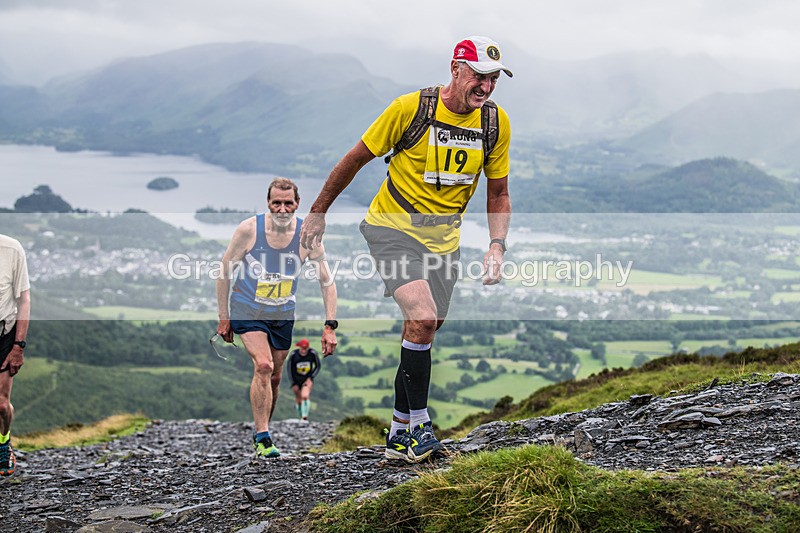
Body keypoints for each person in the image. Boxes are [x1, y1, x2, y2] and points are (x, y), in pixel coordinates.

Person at [300, 36, 512, 462]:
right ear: (455, 68)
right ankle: (420, 429)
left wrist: (496, 245)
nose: (486, 88)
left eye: (493, 80)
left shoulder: (495, 123)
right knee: (423, 316)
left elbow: (499, 193)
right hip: (391, 227)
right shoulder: (409, 109)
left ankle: (398, 432)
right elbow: (356, 158)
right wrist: (318, 211)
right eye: (479, 77)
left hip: (444, 241)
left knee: (424, 331)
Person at [216, 177, 338, 458]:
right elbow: (224, 272)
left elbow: (327, 281)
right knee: (263, 365)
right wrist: (224, 318)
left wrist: (330, 324)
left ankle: (263, 429)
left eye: (288, 203)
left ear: (297, 204)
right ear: (268, 203)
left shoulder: (308, 236)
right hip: (247, 309)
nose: (282, 209)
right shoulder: (249, 230)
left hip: (282, 313)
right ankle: (263, 437)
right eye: (276, 203)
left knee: (275, 377)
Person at [0, 234, 31, 476]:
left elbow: (24, 299)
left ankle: (3, 442)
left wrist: (18, 346)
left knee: (1, 404)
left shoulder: (11, 249)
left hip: (4, 333)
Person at [287, 338, 321, 420]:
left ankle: (304, 416)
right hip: (296, 380)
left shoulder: (312, 354)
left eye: (305, 349)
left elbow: (317, 366)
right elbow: (289, 370)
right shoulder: (293, 355)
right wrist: (293, 383)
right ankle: (300, 416)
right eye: (302, 349)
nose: (304, 351)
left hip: (307, 379)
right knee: (299, 400)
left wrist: (310, 377)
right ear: (299, 347)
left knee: (305, 396)